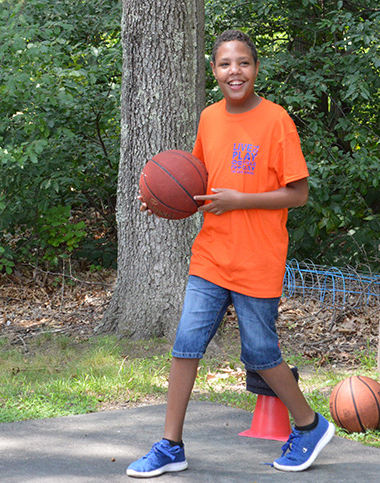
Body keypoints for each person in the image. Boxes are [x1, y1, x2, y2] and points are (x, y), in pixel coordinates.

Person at [127, 29, 334, 478]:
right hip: (211, 255)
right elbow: (196, 188)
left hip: (258, 257)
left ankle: (310, 425)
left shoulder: (277, 121)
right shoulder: (209, 119)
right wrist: (161, 203)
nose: (234, 71)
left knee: (260, 353)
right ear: (214, 71)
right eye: (224, 64)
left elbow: (297, 194)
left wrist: (241, 199)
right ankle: (170, 445)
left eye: (242, 62)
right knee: (186, 344)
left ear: (256, 69)